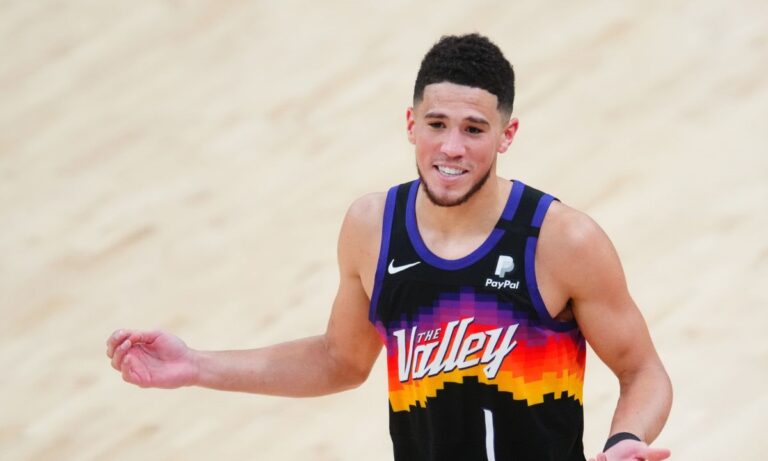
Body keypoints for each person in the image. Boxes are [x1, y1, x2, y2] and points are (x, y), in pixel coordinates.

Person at [107, 33, 672, 461]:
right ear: (410, 124)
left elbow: (643, 371)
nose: (451, 147)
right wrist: (197, 364)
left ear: (507, 135)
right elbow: (341, 360)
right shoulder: (372, 227)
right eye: (436, 124)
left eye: (474, 129)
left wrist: (625, 439)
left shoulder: (561, 240)